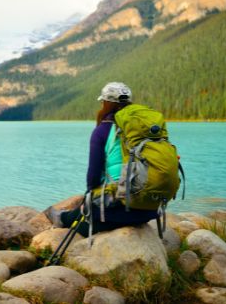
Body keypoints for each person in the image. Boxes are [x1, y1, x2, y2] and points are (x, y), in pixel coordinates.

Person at [44, 81, 158, 236]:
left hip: (118, 211)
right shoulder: (146, 129)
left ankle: (63, 218)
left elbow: (93, 179)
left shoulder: (103, 131)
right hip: (149, 209)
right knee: (87, 207)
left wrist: (88, 201)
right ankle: (64, 217)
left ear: (106, 103)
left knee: (81, 224)